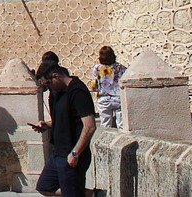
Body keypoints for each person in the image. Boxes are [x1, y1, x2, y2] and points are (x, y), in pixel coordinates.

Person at [33, 62, 96, 197]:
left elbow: (90, 126)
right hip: (58, 154)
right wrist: (48, 125)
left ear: (56, 76)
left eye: (48, 84)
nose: (48, 88)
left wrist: (75, 153)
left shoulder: (78, 91)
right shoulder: (57, 94)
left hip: (72, 154)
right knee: (44, 186)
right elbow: (64, 120)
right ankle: (90, 194)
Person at [90, 46, 126, 128]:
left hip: (103, 99)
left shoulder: (97, 68)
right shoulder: (121, 68)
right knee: (121, 125)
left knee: (105, 125)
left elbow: (93, 85)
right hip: (118, 99)